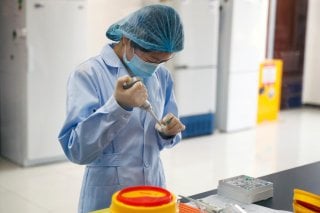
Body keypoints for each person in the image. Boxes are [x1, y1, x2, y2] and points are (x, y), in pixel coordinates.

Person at [58, 4, 185, 213]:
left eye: (163, 61)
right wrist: (118, 106)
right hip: (108, 195)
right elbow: (77, 151)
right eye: (152, 59)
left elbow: (164, 137)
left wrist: (167, 133)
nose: (155, 67)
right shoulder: (88, 74)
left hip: (153, 191)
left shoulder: (161, 76)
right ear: (127, 41)